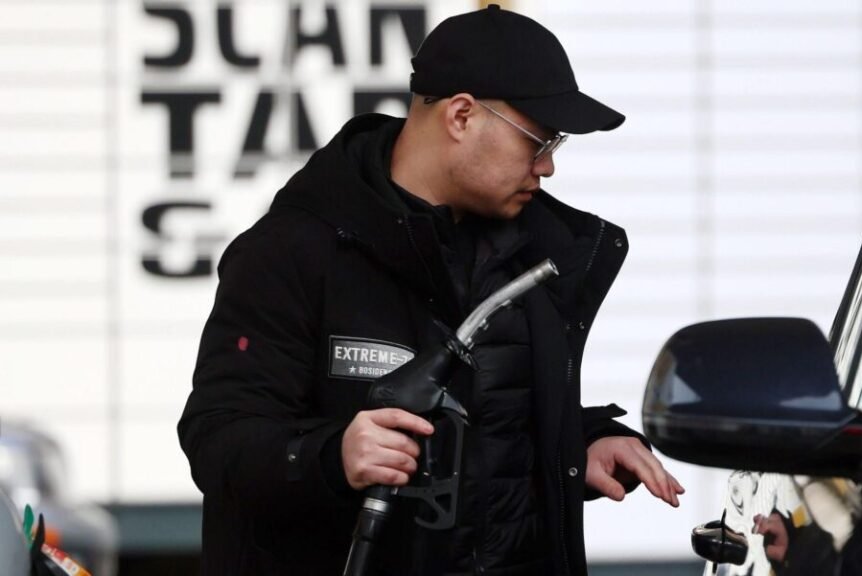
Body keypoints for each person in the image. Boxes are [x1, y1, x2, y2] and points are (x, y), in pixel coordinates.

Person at [178, 5, 684, 575]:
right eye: (537, 142)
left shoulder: (536, 258)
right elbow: (218, 437)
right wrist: (333, 457)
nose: (547, 168)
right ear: (461, 116)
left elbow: (489, 424)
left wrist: (578, 445)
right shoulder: (291, 251)